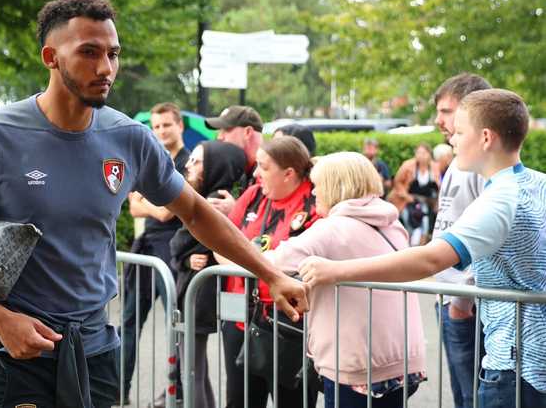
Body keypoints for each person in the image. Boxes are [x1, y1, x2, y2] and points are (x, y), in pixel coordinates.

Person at [0, 0, 307, 408]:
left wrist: (271, 275)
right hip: (14, 351)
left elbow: (195, 212)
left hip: (94, 350)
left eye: (113, 54)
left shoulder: (129, 138)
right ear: (50, 56)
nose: (106, 68)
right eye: (88, 53)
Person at [299, 89, 546, 408]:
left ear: (485, 137)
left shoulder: (500, 201)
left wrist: (334, 270)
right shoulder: (537, 183)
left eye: (458, 132)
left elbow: (431, 258)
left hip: (514, 367)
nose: (452, 141)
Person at [268, 152, 427, 408]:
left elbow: (273, 261)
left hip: (356, 360)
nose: (314, 193)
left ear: (334, 186)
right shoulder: (391, 223)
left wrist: (224, 253)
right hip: (402, 358)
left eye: (318, 185)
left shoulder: (332, 228)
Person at [216, 136, 319, 408]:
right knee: (240, 400)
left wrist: (249, 267)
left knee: (292, 401)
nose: (257, 173)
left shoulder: (314, 204)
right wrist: (251, 268)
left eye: (263, 167)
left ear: (289, 173)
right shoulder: (254, 194)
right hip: (241, 316)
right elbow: (220, 240)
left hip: (289, 323)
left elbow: (308, 262)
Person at [120, 102, 189, 405]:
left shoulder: (189, 163)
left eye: (166, 125)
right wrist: (152, 206)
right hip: (146, 251)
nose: (161, 131)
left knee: (176, 326)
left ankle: (177, 393)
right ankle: (118, 390)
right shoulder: (149, 161)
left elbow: (163, 213)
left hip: (173, 252)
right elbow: (134, 206)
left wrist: (148, 204)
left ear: (180, 126)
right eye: (157, 126)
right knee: (129, 322)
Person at [171, 140, 247, 408]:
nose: (188, 166)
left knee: (192, 370)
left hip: (203, 295)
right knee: (195, 369)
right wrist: (185, 256)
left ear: (215, 166)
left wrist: (183, 253)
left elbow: (179, 243)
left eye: (197, 161)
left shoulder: (213, 202)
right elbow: (182, 247)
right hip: (200, 290)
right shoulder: (211, 197)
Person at [431, 72, 491, 408]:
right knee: (462, 394)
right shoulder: (459, 161)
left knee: (473, 396)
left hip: (465, 304)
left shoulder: (478, 165)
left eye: (447, 110)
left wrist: (462, 300)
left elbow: (488, 237)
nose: (440, 120)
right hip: (452, 298)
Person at [204, 105, 264, 215]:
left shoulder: (270, 169)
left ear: (247, 132)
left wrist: (236, 210)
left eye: (225, 130)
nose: (219, 137)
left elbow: (273, 223)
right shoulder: (240, 168)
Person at [389, 142, 441, 245]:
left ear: (429, 154)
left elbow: (438, 185)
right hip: (407, 200)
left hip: (425, 201)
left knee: (425, 224)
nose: (421, 155)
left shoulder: (434, 167)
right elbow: (397, 182)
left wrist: (436, 201)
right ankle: (407, 245)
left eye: (424, 153)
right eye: (418, 153)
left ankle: (421, 246)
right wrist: (406, 196)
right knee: (410, 222)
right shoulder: (408, 165)